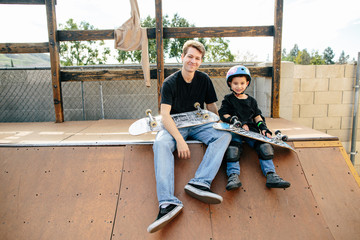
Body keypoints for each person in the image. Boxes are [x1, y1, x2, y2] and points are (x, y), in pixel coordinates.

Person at [147, 40, 232, 233]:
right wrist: (179, 140)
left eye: (197, 58)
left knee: (223, 136)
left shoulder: (204, 80)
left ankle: (200, 183)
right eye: (190, 56)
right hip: (175, 124)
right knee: (160, 144)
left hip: (198, 122)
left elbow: (211, 108)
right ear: (182, 57)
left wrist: (219, 125)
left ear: (200, 61)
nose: (193, 61)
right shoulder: (170, 83)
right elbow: (165, 116)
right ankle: (167, 203)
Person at [218, 65, 291, 191]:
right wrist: (234, 120)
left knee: (264, 147)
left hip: (250, 131)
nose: (239, 86)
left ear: (247, 83)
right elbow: (223, 113)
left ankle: (271, 175)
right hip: (235, 130)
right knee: (233, 150)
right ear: (230, 83)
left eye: (242, 83)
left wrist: (263, 128)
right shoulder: (228, 99)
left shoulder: (251, 101)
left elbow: (257, 116)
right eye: (235, 83)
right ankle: (233, 176)